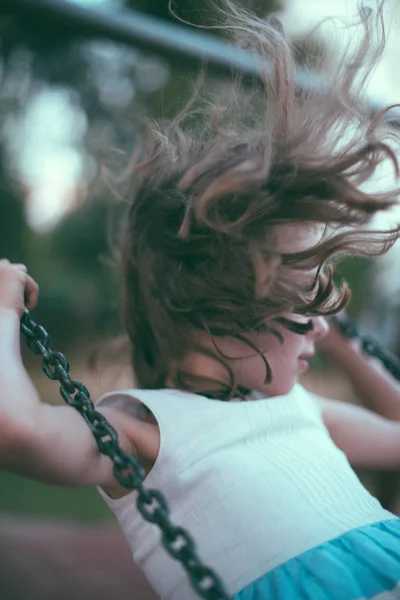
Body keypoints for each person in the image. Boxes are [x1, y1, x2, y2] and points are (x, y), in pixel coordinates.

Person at [2, 2, 400, 599]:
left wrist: (342, 341)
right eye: (302, 300)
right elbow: (17, 428)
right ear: (217, 309)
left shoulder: (304, 410)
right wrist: (4, 308)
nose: (319, 326)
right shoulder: (140, 432)